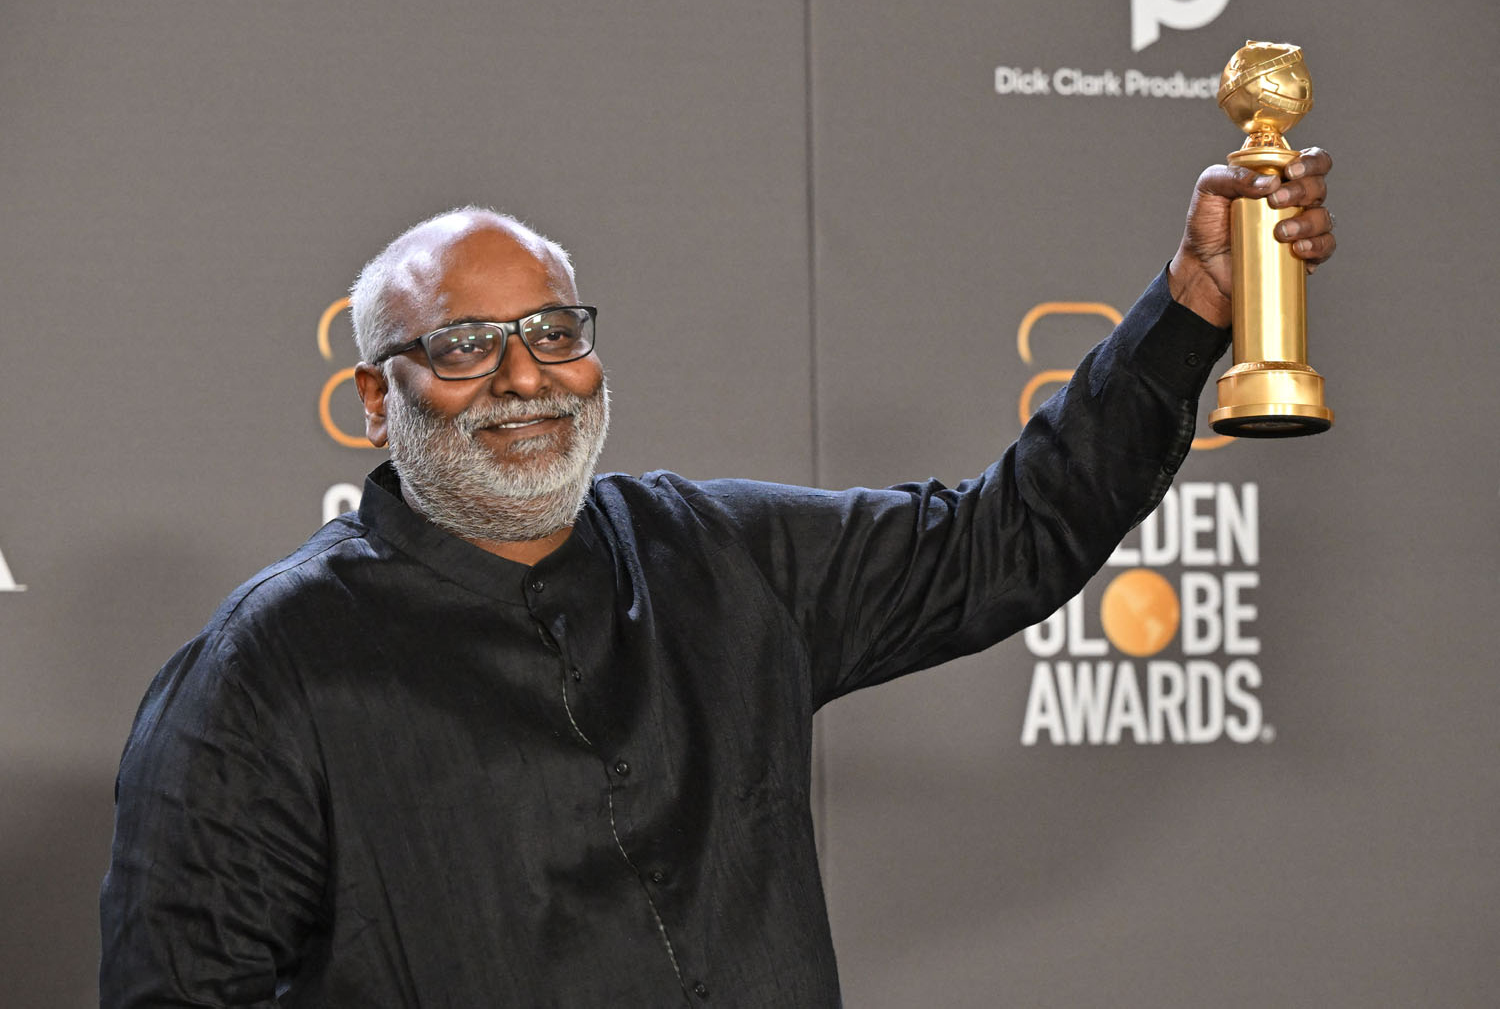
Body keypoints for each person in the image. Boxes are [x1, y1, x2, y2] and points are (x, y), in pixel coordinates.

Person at [100, 152, 1335, 1007]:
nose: (525, 377)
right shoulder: (265, 671)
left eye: (555, 332)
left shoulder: (724, 557)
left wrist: (1193, 304)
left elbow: (1007, 534)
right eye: (464, 346)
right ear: (378, 395)